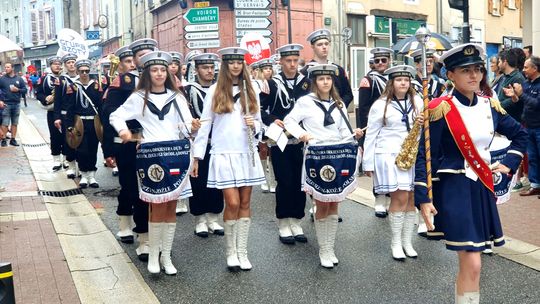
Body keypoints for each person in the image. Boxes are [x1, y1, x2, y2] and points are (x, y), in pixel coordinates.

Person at [415, 44, 527, 304]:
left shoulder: (490, 106)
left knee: (475, 262)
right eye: (465, 70)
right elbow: (424, 155)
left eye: (477, 69)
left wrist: (509, 163)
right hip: (454, 188)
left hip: (481, 188)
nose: (474, 75)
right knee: (473, 261)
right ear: (450, 75)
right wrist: (423, 197)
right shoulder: (440, 108)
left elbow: (520, 135)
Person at [111, 51, 198, 275]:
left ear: (168, 72)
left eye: (162, 69)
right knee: (156, 208)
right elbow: (115, 115)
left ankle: (166, 256)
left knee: (170, 207)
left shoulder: (177, 97)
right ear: (147, 73)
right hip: (151, 158)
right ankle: (152, 255)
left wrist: (194, 127)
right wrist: (124, 131)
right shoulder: (138, 97)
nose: (159, 74)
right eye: (154, 70)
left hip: (176, 154)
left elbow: (187, 127)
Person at [192, 47, 265, 272]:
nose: (236, 66)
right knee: (232, 203)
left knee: (245, 203)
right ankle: (230, 252)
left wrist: (256, 125)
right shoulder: (214, 90)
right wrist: (196, 157)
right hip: (223, 153)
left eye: (239, 62)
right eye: (231, 62)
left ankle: (242, 252)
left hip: (246, 152)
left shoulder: (251, 88)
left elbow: (260, 123)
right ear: (224, 65)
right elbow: (205, 126)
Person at [283, 64, 364, 268]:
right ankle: (323, 249)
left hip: (337, 155)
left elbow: (341, 132)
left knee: (334, 202)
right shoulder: (305, 102)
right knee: (321, 203)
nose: (325, 82)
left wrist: (353, 135)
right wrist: (302, 134)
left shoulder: (338, 104)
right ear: (314, 82)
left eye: (328, 79)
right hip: (317, 156)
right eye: (321, 79)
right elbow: (288, 121)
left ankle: (330, 247)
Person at [101, 38, 157, 258]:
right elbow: (108, 115)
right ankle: (136, 232)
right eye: (140, 54)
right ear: (134, 59)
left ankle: (151, 235)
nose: (144, 58)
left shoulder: (163, 78)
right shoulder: (122, 82)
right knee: (131, 189)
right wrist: (109, 150)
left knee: (153, 192)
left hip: (156, 144)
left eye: (148, 53)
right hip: (130, 144)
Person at [363, 65, 424, 260]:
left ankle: (408, 242)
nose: (403, 83)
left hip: (412, 154)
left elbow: (424, 132)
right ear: (391, 83)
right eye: (399, 80)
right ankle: (396, 242)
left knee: (412, 199)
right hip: (389, 155)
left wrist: (424, 121)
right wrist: (368, 163)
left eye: (406, 80)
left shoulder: (418, 101)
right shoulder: (381, 105)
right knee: (400, 198)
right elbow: (371, 133)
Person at [260, 44, 311, 244]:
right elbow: (261, 110)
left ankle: (297, 221)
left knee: (300, 181)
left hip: (300, 140)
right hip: (279, 139)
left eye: (295, 61)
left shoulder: (306, 83)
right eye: (288, 61)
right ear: (280, 62)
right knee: (284, 180)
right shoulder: (271, 83)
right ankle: (283, 222)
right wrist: (272, 120)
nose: (292, 65)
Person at [184, 52, 225, 237]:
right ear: (196, 69)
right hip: (197, 140)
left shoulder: (220, 89)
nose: (209, 71)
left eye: (211, 67)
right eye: (204, 67)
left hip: (216, 141)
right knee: (198, 180)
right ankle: (200, 218)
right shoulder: (187, 90)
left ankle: (214, 218)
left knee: (216, 180)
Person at [356, 47, 393, 218]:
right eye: (377, 61)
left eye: (383, 60)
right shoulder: (368, 80)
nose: (380, 64)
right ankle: (379, 198)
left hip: (393, 128)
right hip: (375, 127)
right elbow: (362, 108)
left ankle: (391, 197)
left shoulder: (395, 78)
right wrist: (364, 133)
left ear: (389, 61)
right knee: (378, 164)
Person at [503, 56, 540, 197]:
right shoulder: (526, 83)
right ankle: (535, 185)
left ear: (535, 69)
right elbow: (520, 102)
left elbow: (536, 104)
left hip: (538, 127)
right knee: (532, 157)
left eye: (526, 67)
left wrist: (521, 94)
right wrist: (513, 96)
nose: (523, 70)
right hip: (528, 125)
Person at [68, 59, 104, 188]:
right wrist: (69, 125)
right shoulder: (73, 86)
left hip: (93, 122)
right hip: (79, 123)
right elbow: (70, 107)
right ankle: (83, 175)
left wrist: (104, 123)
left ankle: (92, 176)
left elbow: (101, 106)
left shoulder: (95, 85)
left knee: (93, 149)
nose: (84, 73)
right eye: (82, 71)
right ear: (77, 71)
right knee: (82, 149)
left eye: (87, 71)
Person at [301, 29, 353, 108]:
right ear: (312, 46)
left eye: (326, 44)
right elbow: (301, 97)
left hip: (338, 114)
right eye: (320, 44)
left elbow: (348, 94)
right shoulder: (305, 72)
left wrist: (338, 107)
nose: (324, 47)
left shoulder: (338, 70)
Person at [54, 54, 80, 178]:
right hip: (65, 116)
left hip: (80, 115)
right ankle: (70, 165)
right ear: (65, 65)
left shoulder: (83, 78)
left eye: (73, 62)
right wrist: (57, 117)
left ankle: (81, 166)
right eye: (68, 62)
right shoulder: (61, 80)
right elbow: (57, 100)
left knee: (81, 141)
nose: (71, 64)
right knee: (69, 140)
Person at [36, 56, 65, 169]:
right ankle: (56, 159)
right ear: (50, 66)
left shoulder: (65, 77)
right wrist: (45, 98)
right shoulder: (45, 79)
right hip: (53, 111)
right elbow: (38, 93)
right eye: (54, 64)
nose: (57, 65)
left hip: (66, 111)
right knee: (55, 135)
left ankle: (67, 158)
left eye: (59, 63)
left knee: (67, 135)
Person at [252, 58, 276, 193]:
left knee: (272, 150)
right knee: (262, 149)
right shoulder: (255, 84)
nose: (268, 71)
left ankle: (272, 180)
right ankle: (264, 179)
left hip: (271, 118)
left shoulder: (274, 83)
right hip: (260, 118)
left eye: (270, 68)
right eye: (266, 69)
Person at [0, 63, 27, 147]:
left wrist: (18, 89)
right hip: (6, 104)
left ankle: (13, 139)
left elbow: (25, 90)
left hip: (16, 104)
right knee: (5, 123)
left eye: (8, 67)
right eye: (5, 67)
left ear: (12, 68)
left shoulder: (19, 79)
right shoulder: (2, 79)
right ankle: (3, 139)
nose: (6, 69)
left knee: (15, 123)